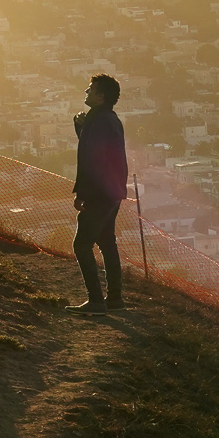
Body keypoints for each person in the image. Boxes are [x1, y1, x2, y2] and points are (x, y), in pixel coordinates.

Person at [69, 73, 128, 313]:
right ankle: (114, 299)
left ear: (101, 96)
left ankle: (95, 300)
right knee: (106, 242)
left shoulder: (100, 121)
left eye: (90, 89)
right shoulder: (107, 119)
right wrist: (82, 126)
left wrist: (82, 193)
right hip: (112, 192)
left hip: (100, 193)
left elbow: (92, 159)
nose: (86, 91)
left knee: (82, 244)